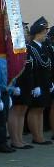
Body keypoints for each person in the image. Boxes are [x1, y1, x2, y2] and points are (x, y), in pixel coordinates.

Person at [26, 17, 53, 145]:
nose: (46, 34)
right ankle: (36, 137)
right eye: (44, 32)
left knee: (41, 109)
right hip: (37, 83)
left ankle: (40, 136)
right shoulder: (31, 47)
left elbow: (48, 65)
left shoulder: (44, 47)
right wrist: (35, 85)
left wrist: (50, 82)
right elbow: (32, 68)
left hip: (45, 82)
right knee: (35, 109)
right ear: (37, 33)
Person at [8, 23, 33, 149]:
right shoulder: (12, 46)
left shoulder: (26, 47)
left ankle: (20, 139)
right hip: (17, 82)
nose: (26, 32)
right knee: (16, 110)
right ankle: (15, 140)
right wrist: (13, 85)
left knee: (22, 110)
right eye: (23, 29)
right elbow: (11, 66)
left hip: (27, 82)